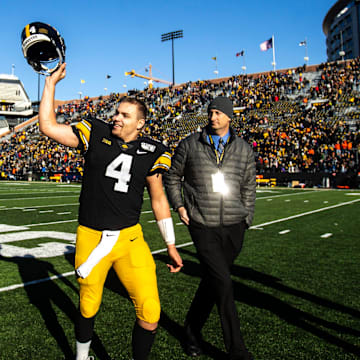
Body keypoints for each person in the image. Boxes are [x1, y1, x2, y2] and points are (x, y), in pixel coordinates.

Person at [39, 63, 183, 360]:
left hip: (129, 240)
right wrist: (51, 84)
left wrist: (170, 244)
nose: (116, 117)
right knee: (88, 304)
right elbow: (48, 127)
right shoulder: (95, 132)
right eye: (116, 112)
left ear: (140, 123)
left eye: (124, 115)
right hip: (91, 235)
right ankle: (81, 358)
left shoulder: (154, 150)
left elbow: (158, 199)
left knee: (150, 310)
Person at [165, 96, 256, 360]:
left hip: (234, 225)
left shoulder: (243, 149)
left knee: (212, 282)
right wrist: (180, 207)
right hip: (202, 223)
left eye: (218, 112)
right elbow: (172, 177)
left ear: (229, 117)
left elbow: (249, 186)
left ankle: (191, 331)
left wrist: (246, 218)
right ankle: (236, 349)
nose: (213, 117)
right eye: (211, 112)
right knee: (224, 283)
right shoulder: (190, 144)